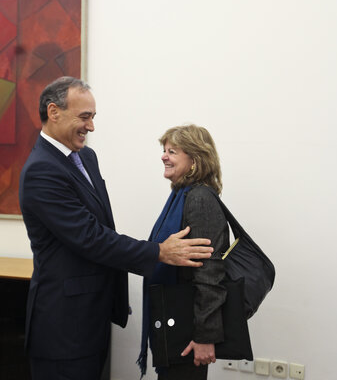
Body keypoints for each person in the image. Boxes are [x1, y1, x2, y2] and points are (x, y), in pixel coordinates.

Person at [19, 77, 213, 380]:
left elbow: (101, 224)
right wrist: (159, 252)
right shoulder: (41, 170)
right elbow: (90, 237)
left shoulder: (86, 157)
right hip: (63, 328)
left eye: (93, 117)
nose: (91, 127)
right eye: (85, 117)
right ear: (54, 112)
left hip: (91, 317)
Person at [138, 124, 229, 380]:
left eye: (173, 151)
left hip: (188, 331)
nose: (163, 156)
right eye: (164, 150)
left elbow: (210, 271)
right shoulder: (181, 195)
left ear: (195, 159)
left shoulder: (199, 199)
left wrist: (205, 337)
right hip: (174, 322)